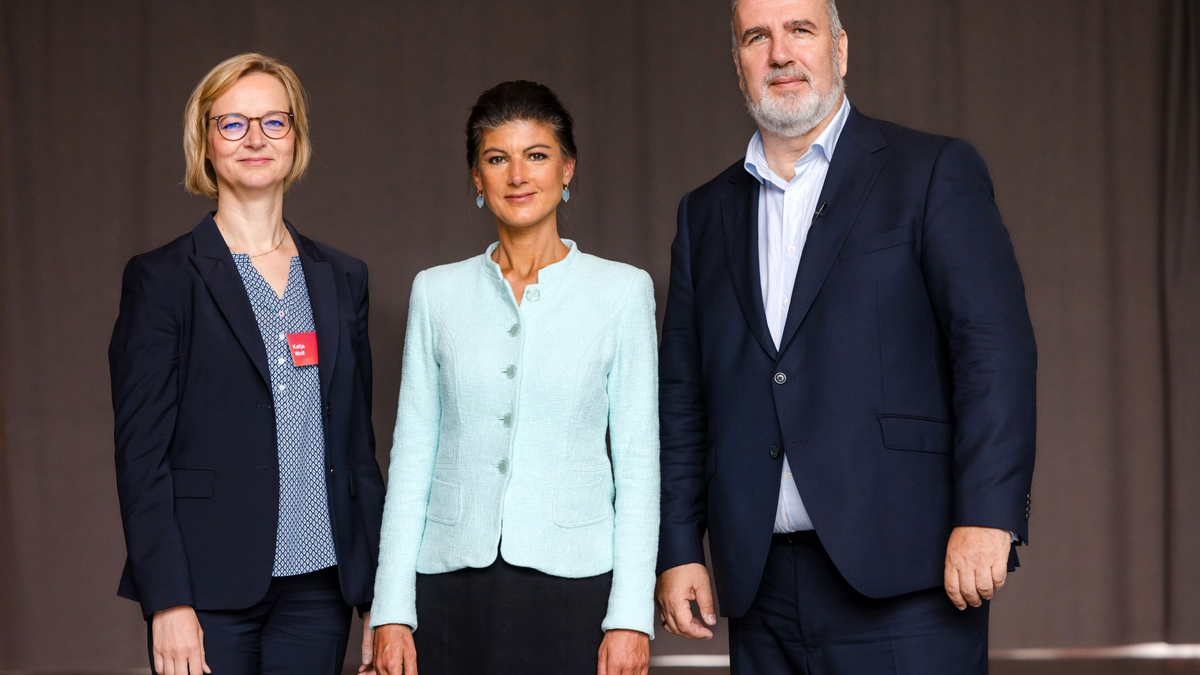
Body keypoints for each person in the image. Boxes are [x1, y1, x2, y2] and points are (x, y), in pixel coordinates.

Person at [654, 0, 1037, 672]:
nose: (779, 53)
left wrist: (989, 512)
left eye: (800, 30)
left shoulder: (931, 172)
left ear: (840, 49)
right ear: (738, 63)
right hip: (759, 586)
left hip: (909, 578)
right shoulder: (703, 213)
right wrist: (680, 545)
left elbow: (993, 351)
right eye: (757, 37)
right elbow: (684, 397)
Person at [369, 80, 659, 675]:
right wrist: (391, 611)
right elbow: (412, 457)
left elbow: (637, 463)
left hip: (576, 586)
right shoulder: (436, 292)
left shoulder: (622, 292)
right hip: (448, 584)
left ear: (567, 167)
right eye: (497, 158)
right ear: (477, 177)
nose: (517, 175)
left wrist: (630, 615)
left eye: (537, 155)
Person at [109, 52, 385, 675]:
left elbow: (356, 453)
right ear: (204, 142)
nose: (256, 138)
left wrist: (374, 596)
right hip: (206, 589)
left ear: (296, 137)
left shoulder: (342, 277)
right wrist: (168, 601)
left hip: (321, 586)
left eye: (274, 122)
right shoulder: (162, 280)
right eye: (232, 123)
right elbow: (140, 458)